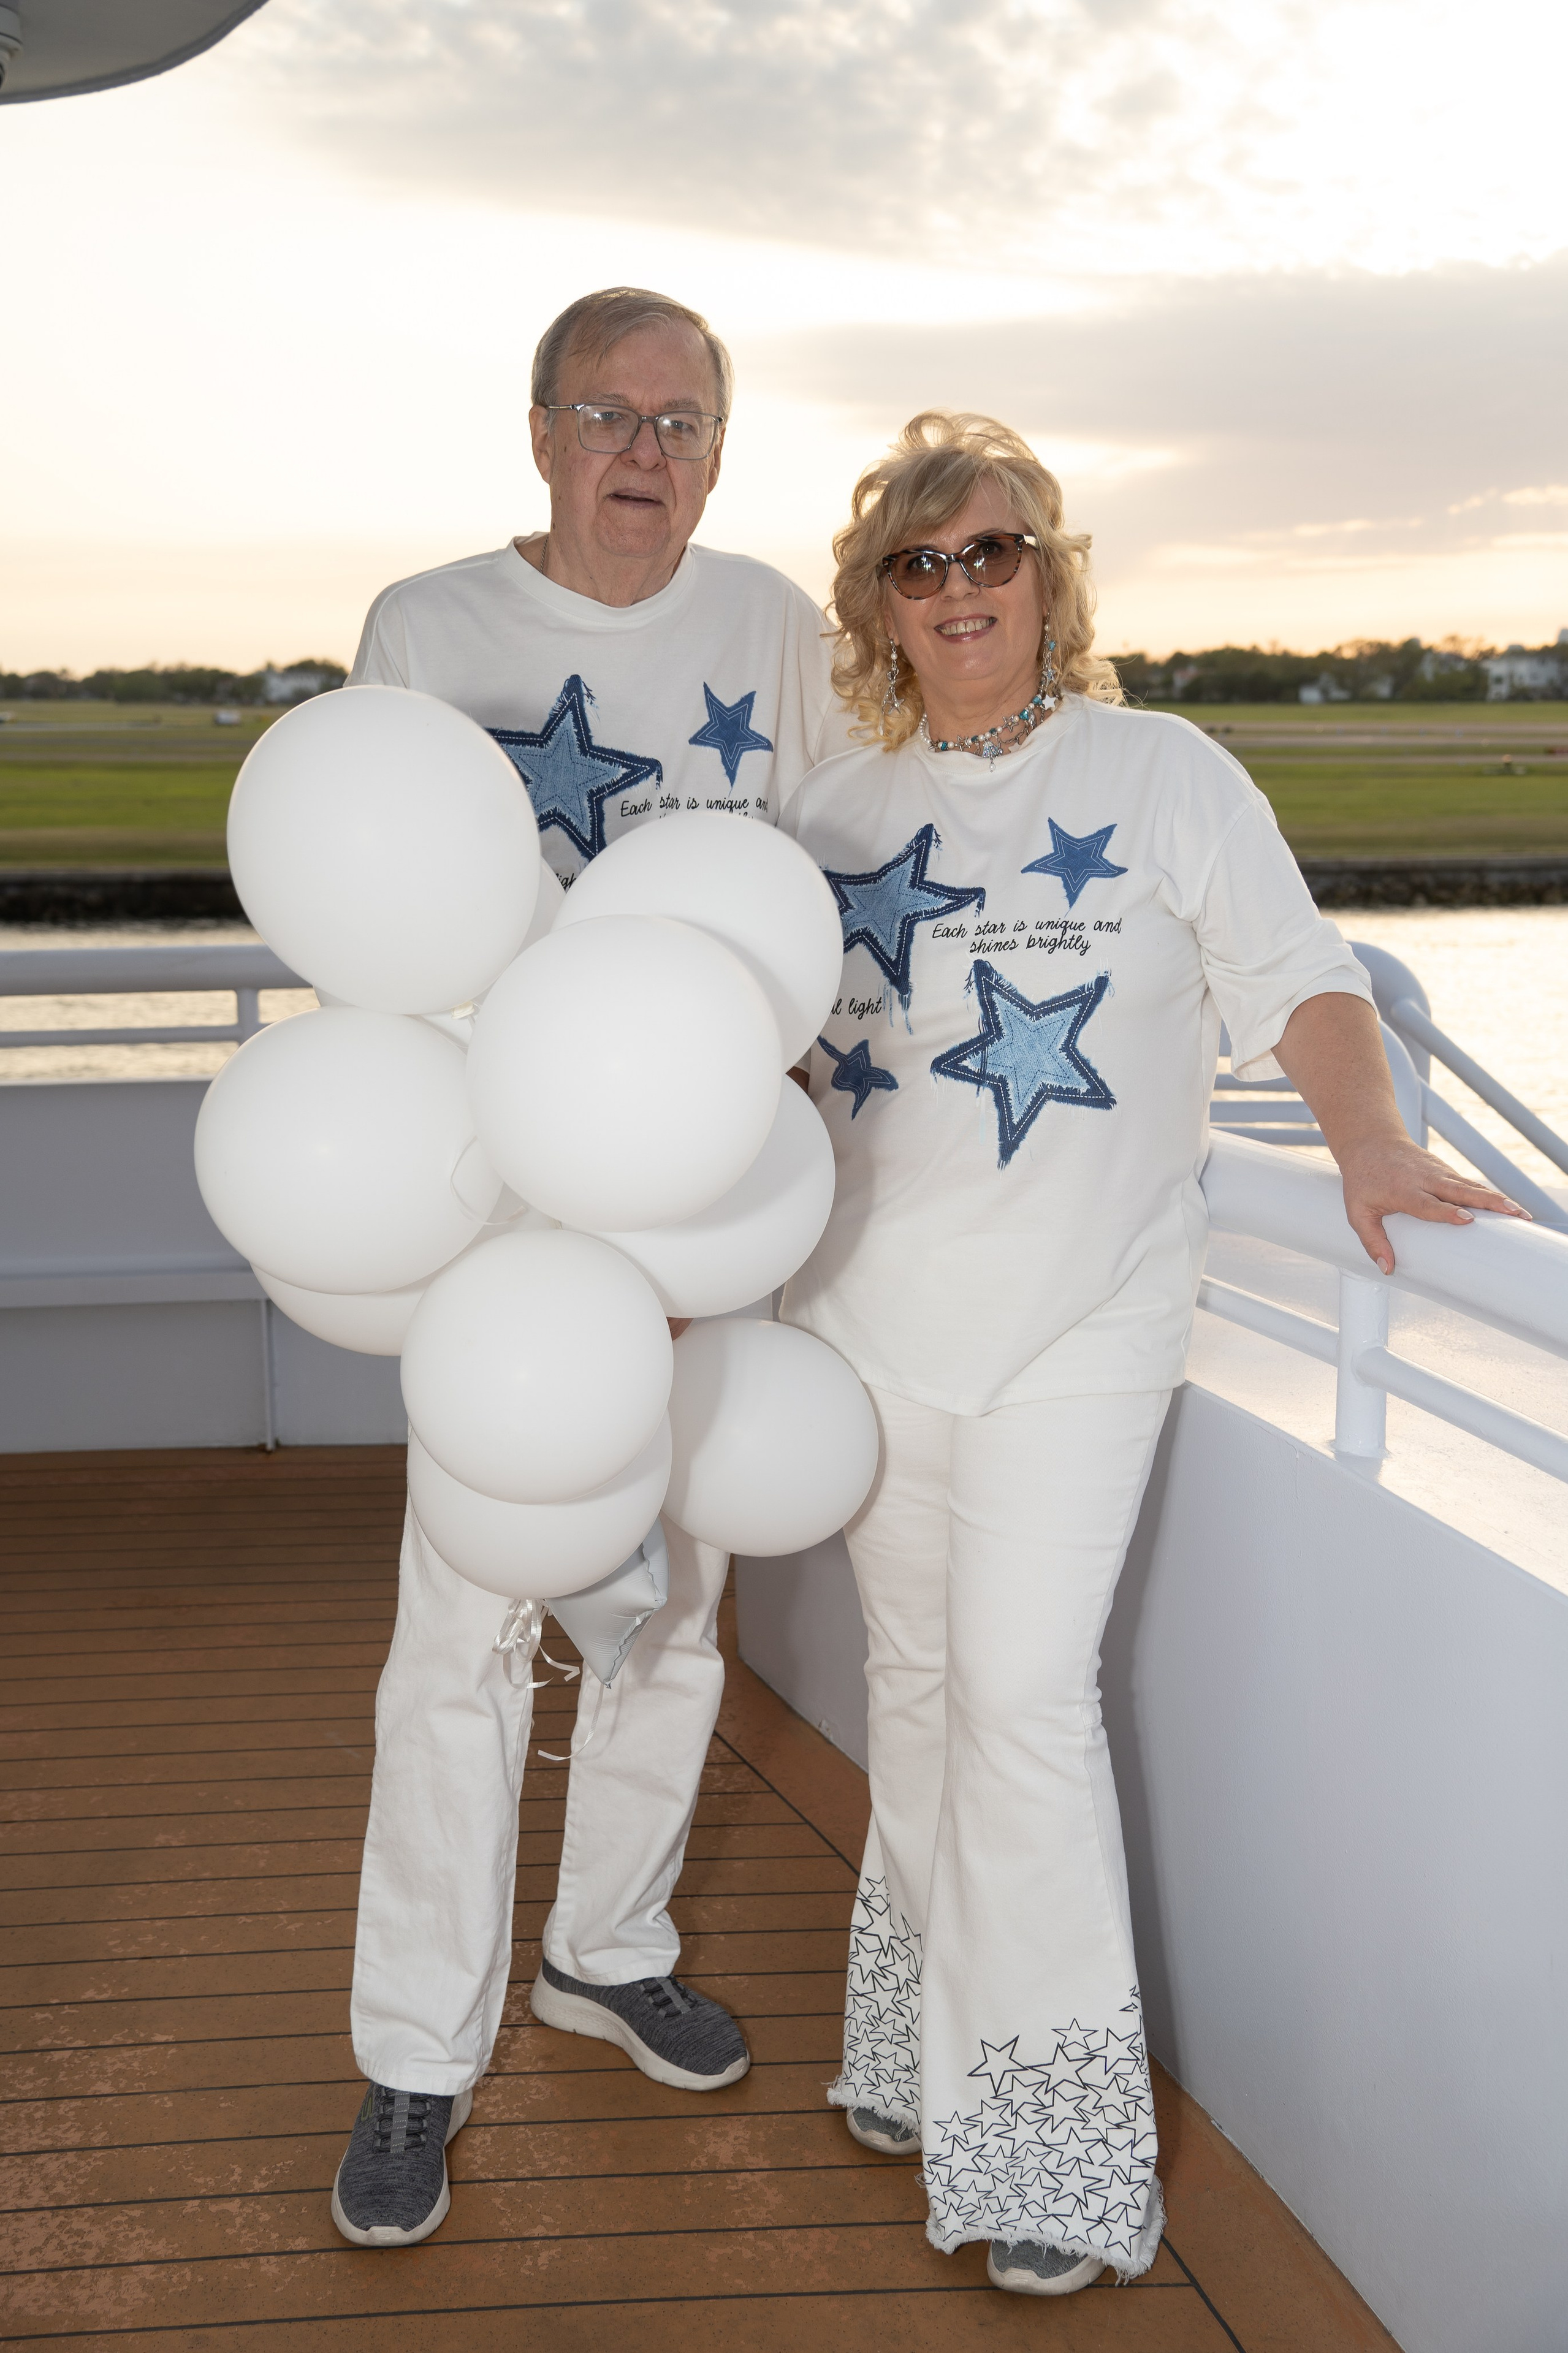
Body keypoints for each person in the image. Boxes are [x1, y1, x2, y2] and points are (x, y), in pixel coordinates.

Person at [777, 411, 1525, 2298]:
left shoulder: (1166, 771)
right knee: (921, 1680)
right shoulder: (837, 817)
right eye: (923, 563)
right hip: (872, 1316)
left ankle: (1046, 2152)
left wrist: (1367, 1143)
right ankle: (912, 2046)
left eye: (995, 553)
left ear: (1051, 577)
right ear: (880, 600)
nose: (962, 591)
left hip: (1083, 1321)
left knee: (1018, 1695)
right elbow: (777, 1067)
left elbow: (1305, 983)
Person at [330, 289, 847, 2249]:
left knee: (682, 1607)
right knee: (459, 1643)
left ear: (722, 447)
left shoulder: (778, 629)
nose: (648, 453)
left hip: (713, 1194)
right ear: (538, 430)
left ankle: (607, 1946)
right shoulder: (425, 630)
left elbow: (836, 877)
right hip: (502, 1213)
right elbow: (380, 924)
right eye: (610, 414)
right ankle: (413, 2050)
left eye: (687, 422)